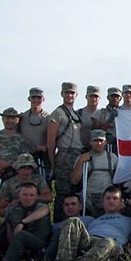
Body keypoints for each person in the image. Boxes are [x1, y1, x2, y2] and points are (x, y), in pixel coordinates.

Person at [48, 186, 131, 261]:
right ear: (103, 202)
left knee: (108, 241)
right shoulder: (93, 220)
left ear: (121, 202)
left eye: (115, 198)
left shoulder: (130, 220)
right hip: (91, 241)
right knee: (73, 220)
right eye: (108, 198)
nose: (111, 201)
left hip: (113, 245)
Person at [47, 82, 84, 222]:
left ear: (76, 95)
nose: (69, 95)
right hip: (64, 155)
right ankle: (58, 224)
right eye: (67, 92)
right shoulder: (58, 113)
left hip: (77, 155)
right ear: (62, 94)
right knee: (63, 194)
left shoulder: (75, 114)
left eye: (72, 93)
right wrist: (52, 165)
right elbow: (50, 142)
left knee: (75, 193)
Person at [0, 107, 33, 191]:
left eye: (13, 118)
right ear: (3, 119)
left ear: (17, 120)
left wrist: (8, 164)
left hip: (14, 177)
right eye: (7, 118)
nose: (10, 121)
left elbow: (26, 160)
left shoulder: (22, 139)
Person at [70, 130, 118, 217]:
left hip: (107, 196)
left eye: (101, 141)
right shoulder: (83, 158)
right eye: (95, 141)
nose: (99, 143)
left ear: (105, 142)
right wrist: (80, 162)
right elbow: (74, 180)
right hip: (88, 198)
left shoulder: (113, 158)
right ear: (90, 142)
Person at [2, 183, 51, 261]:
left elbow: (44, 210)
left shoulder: (40, 206)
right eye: (25, 195)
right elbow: (8, 225)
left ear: (36, 197)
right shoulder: (13, 209)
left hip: (39, 242)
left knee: (22, 235)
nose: (28, 198)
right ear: (19, 196)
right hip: (17, 241)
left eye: (31, 195)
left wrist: (22, 222)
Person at [44, 193, 95, 261]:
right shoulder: (55, 226)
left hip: (82, 248)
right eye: (67, 205)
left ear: (80, 206)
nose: (70, 207)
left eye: (73, 204)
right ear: (63, 207)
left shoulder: (89, 220)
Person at [19, 87, 50, 175]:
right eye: (34, 97)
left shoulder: (49, 118)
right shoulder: (22, 117)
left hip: (42, 157)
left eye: (39, 98)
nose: (36, 100)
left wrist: (45, 146)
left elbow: (53, 137)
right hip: (24, 158)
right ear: (29, 99)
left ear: (43, 99)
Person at [92, 87, 122, 153]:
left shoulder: (126, 113)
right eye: (112, 96)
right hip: (106, 145)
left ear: (120, 98)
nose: (115, 98)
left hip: (121, 144)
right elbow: (96, 132)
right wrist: (109, 121)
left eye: (117, 96)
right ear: (108, 97)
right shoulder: (99, 113)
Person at [77, 85, 101, 150]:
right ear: (86, 97)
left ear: (99, 98)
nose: (93, 99)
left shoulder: (103, 114)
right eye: (91, 96)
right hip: (81, 150)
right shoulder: (78, 113)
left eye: (96, 96)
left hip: (98, 150)